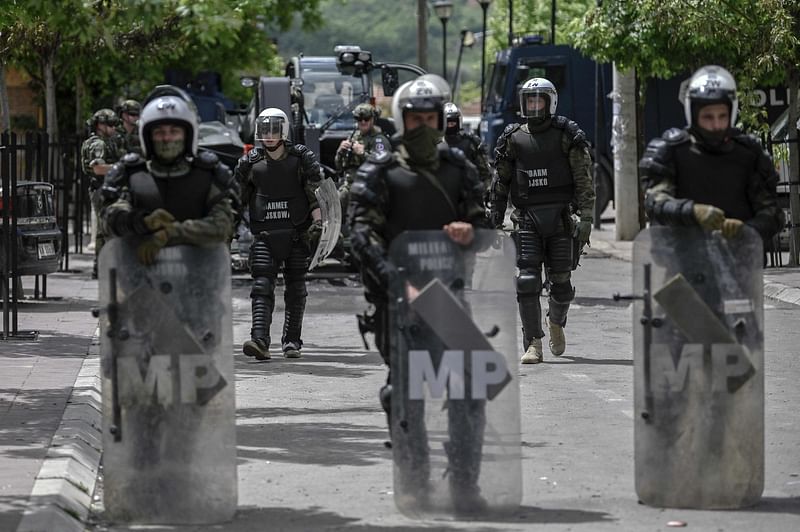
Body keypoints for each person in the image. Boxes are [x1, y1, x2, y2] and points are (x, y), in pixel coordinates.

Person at [348, 77, 488, 512]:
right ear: (401, 121)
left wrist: (471, 232)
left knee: (471, 388)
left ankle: (465, 484)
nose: (425, 126)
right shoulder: (381, 172)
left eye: (431, 118)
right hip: (398, 302)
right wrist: (393, 275)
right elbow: (359, 232)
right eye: (416, 119)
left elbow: (484, 224)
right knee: (407, 392)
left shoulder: (460, 168)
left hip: (448, 297)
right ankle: (413, 480)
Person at [489, 77, 595, 364]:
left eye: (539, 100)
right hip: (526, 220)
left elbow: (584, 180)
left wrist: (586, 218)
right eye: (529, 100)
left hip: (560, 219)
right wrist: (495, 222)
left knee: (561, 285)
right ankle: (533, 343)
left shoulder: (566, 135)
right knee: (527, 281)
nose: (534, 105)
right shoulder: (512, 138)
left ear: (551, 102)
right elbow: (501, 183)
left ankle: (556, 323)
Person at [639, 65, 783, 245]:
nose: (716, 125)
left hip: (738, 264)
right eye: (708, 117)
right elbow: (656, 203)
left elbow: (772, 213)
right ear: (693, 114)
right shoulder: (670, 152)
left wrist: (746, 230)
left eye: (722, 116)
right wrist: (692, 211)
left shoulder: (749, 154)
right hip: (681, 263)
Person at [100, 85, 237, 269]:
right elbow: (111, 218)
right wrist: (143, 221)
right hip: (140, 281)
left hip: (199, 283)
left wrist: (172, 233)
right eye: (159, 132)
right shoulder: (131, 175)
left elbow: (222, 226)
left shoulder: (208, 175)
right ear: (148, 137)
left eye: (174, 132)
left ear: (188, 135)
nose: (167, 138)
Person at [234, 108, 323, 361]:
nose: (269, 135)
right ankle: (259, 340)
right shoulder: (249, 163)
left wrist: (319, 227)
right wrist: (225, 232)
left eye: (274, 129)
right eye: (265, 130)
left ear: (283, 131)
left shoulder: (301, 158)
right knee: (261, 286)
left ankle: (292, 341)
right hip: (264, 235)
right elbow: (234, 201)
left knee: (296, 289)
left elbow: (316, 194)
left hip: (297, 233)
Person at [81, 108, 123, 278]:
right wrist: (122, 168)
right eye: (110, 125)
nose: (113, 128)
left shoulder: (105, 141)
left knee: (102, 232)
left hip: (103, 189)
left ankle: (100, 269)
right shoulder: (98, 143)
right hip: (101, 189)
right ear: (100, 125)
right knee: (108, 231)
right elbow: (98, 168)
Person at [335, 102, 390, 211]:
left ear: (372, 119)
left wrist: (362, 153)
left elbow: (383, 167)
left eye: (366, 118)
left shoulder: (379, 140)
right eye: (359, 119)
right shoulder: (353, 137)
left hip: (369, 187)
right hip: (349, 186)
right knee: (334, 205)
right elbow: (339, 167)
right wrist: (340, 151)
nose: (363, 122)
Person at [443, 102, 492, 195]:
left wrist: (486, 192)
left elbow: (484, 171)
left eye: (452, 122)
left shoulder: (470, 142)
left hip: (468, 193)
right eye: (447, 123)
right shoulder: (436, 144)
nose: (450, 126)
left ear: (458, 122)